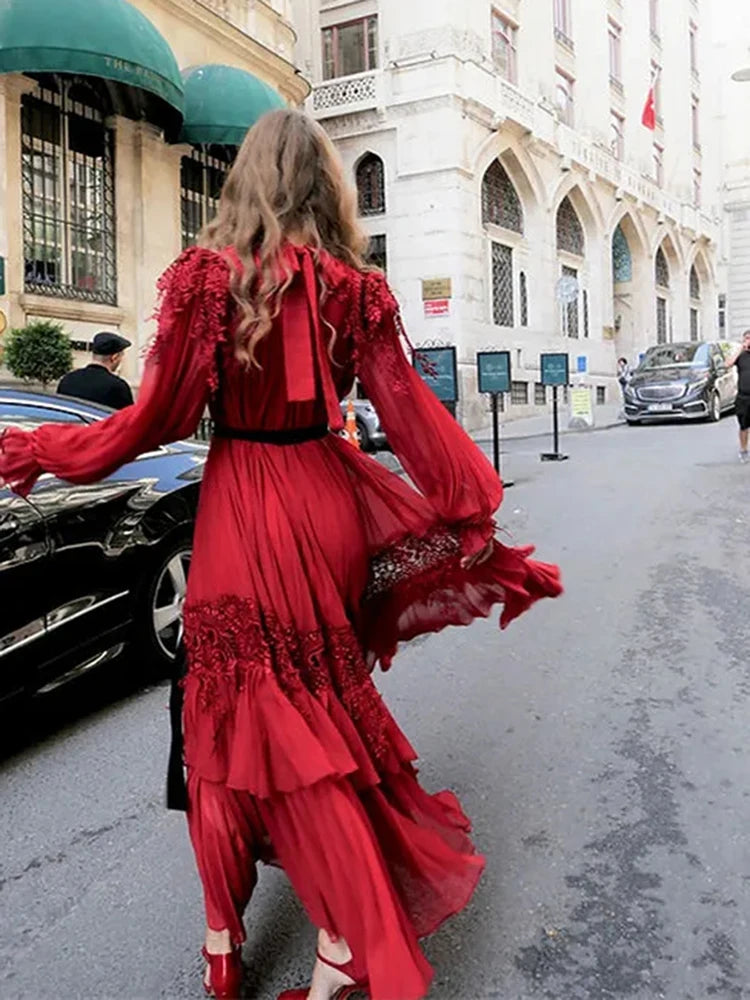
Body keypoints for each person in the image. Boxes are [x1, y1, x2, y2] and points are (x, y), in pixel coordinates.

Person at [0, 110, 562, 1000]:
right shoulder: (356, 287)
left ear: (244, 182)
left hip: (246, 506)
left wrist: (38, 450)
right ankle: (308, 936)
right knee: (307, 711)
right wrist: (471, 510)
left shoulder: (205, 278)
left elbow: (159, 422)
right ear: (326, 189)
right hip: (325, 499)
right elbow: (409, 412)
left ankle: (259, 938)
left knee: (227, 717)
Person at [57, 332, 134, 410]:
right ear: (114, 357)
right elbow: (129, 419)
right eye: (121, 356)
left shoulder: (68, 379)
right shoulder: (118, 387)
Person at [726, 331, 750, 462]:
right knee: (744, 425)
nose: (748, 341)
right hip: (743, 396)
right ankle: (743, 449)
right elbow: (727, 364)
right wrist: (740, 349)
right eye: (746, 338)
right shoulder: (740, 356)